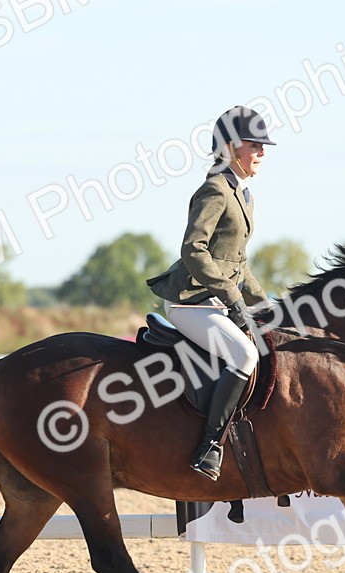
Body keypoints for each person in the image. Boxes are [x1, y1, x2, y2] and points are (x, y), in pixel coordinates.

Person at [146, 106, 275, 480]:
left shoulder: (244, 194)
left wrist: (266, 305)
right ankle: (209, 446)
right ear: (233, 147)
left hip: (216, 300)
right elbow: (194, 251)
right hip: (190, 301)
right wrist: (233, 298)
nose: (262, 152)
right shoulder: (215, 189)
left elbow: (238, 262)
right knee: (245, 353)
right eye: (256, 145)